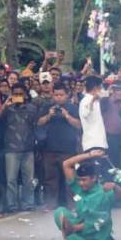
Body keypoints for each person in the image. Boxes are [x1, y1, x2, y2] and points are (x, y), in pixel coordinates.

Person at [54, 150, 121, 240]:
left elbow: (120, 196)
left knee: (101, 219)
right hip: (81, 232)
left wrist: (115, 187)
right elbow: (66, 164)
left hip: (98, 235)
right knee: (59, 212)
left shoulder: (103, 192)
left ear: (94, 178)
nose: (81, 183)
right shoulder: (78, 188)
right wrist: (90, 155)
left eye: (84, 180)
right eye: (79, 180)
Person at [36, 81, 81, 210]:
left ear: (67, 95)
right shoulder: (47, 106)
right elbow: (38, 123)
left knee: (70, 179)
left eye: (61, 95)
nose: (58, 97)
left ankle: (72, 204)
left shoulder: (73, 108)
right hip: (49, 148)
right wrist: (48, 115)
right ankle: (51, 203)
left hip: (68, 149)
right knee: (50, 179)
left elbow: (79, 125)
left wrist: (67, 116)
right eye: (56, 95)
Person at [0, 81, 39, 212]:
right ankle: (12, 205)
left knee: (28, 179)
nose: (18, 96)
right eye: (15, 94)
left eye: (20, 94)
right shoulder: (7, 108)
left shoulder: (32, 109)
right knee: (11, 180)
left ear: (25, 95)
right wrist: (5, 105)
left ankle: (28, 204)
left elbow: (36, 126)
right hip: (11, 148)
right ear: (11, 94)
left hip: (28, 148)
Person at [79, 76, 107, 152]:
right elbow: (85, 114)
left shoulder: (97, 101)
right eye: (100, 88)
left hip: (99, 142)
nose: (102, 90)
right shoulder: (86, 100)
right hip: (92, 143)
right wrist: (92, 101)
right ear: (95, 88)